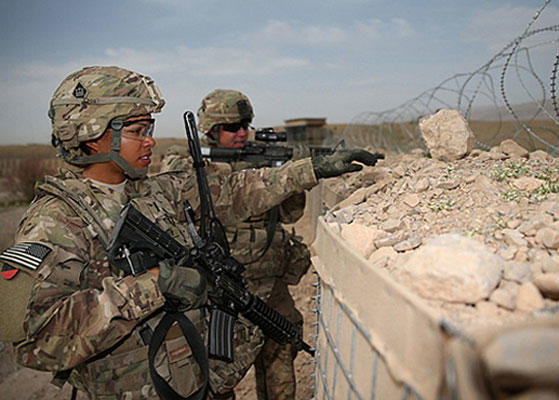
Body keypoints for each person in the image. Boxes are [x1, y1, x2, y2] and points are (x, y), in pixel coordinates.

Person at [0, 66, 379, 400]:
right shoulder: (55, 220)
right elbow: (36, 339)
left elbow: (238, 190)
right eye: (137, 130)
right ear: (92, 134)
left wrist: (312, 168)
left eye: (149, 128)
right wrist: (155, 284)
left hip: (194, 380)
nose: (150, 140)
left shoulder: (156, 189)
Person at [161, 89, 310, 400]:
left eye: (245, 125)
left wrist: (289, 179)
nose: (242, 133)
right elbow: (184, 200)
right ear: (212, 130)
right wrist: (248, 177)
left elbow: (290, 213)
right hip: (221, 289)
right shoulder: (192, 164)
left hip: (270, 287)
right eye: (232, 127)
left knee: (280, 361)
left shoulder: (261, 160)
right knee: (218, 371)